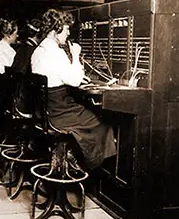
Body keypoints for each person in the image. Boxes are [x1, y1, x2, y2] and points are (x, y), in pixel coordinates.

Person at [31, 9, 116, 170]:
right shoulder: (56, 53)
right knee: (101, 123)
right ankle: (90, 168)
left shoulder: (38, 51)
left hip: (45, 112)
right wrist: (76, 55)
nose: (68, 33)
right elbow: (76, 81)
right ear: (56, 31)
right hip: (59, 113)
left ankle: (71, 158)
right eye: (66, 29)